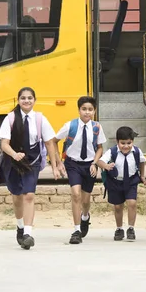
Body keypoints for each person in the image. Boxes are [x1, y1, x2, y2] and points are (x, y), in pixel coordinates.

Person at [0, 87, 60, 249]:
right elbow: (4, 144)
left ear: (35, 100)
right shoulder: (10, 118)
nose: (26, 101)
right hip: (13, 162)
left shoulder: (40, 119)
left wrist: (54, 166)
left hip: (31, 163)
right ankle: (20, 226)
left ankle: (28, 233)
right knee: (17, 196)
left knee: (29, 195)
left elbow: (49, 143)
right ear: (18, 100)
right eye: (23, 98)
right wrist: (14, 154)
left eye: (30, 98)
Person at [53, 96, 107, 244]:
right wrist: (58, 162)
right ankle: (76, 230)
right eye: (84, 109)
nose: (87, 112)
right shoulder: (70, 125)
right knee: (75, 194)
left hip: (89, 164)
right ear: (79, 110)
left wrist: (94, 163)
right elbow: (53, 141)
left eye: (90, 109)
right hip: (73, 164)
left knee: (85, 199)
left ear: (94, 111)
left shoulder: (97, 127)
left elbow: (100, 147)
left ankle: (85, 217)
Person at [97, 126, 146, 241]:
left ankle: (131, 228)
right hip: (115, 182)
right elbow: (100, 161)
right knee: (118, 206)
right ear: (117, 142)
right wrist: (106, 166)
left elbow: (142, 162)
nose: (126, 146)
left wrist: (142, 176)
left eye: (129, 143)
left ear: (132, 142)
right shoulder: (112, 151)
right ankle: (119, 228)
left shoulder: (136, 151)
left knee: (132, 203)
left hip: (131, 181)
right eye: (122, 143)